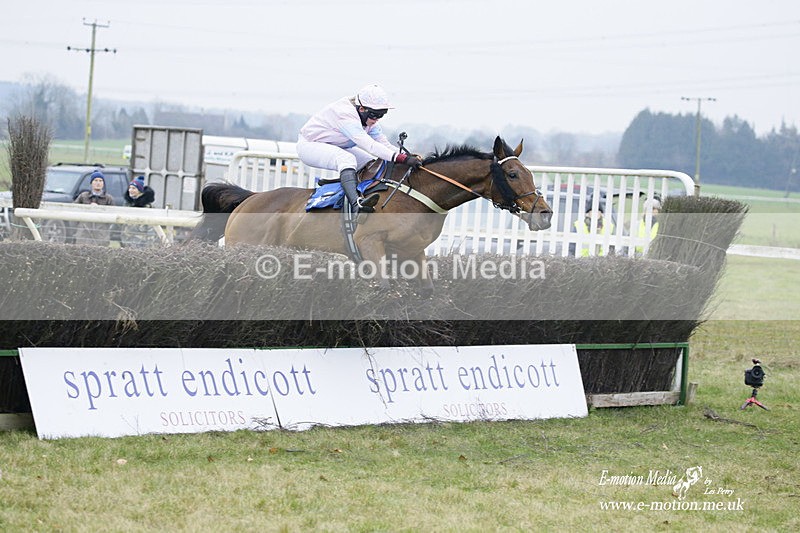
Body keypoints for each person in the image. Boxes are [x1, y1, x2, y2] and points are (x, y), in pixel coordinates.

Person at [297, 84, 422, 218]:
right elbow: (370, 146)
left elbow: (384, 145)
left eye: (382, 115)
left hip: (336, 145)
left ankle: (360, 195)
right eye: (374, 115)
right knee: (347, 159)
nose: (377, 119)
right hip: (310, 145)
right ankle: (356, 204)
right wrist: (402, 159)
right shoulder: (344, 114)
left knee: (371, 163)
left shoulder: (368, 119)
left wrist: (407, 156)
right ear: (361, 109)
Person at [74, 170, 114, 246]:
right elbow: (74, 210)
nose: (98, 183)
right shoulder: (83, 196)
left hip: (101, 235)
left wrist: (100, 210)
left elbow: (112, 216)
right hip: (84, 233)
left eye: (100, 181)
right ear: (91, 183)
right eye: (95, 180)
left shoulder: (108, 198)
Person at [121, 176, 158, 247]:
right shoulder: (127, 204)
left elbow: (151, 228)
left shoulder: (148, 207)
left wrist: (149, 243)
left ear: (140, 191)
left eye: (133, 188)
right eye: (130, 188)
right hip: (126, 242)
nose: (130, 190)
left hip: (142, 244)